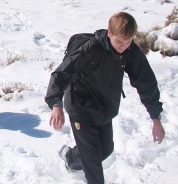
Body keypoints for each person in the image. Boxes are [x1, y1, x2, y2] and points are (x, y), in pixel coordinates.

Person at [45, 12, 165, 184]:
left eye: (128, 41)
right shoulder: (90, 48)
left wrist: (156, 118)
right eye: (120, 42)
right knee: (93, 162)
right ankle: (82, 160)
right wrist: (56, 104)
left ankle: (70, 156)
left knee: (105, 151)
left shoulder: (130, 51)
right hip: (81, 107)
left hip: (104, 108)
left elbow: (146, 83)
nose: (124, 46)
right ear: (109, 33)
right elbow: (62, 73)